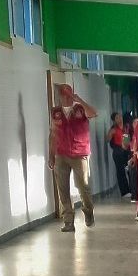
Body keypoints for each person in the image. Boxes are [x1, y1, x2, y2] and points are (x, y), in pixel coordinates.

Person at [49, 84, 97, 232]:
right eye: (63, 95)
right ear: (59, 96)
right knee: (62, 189)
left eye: (68, 95)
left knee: (83, 186)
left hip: (79, 154)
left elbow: (93, 113)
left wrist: (80, 100)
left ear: (72, 95)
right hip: (61, 154)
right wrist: (51, 155)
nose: (66, 98)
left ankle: (88, 211)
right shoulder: (55, 112)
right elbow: (53, 134)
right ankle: (68, 221)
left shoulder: (80, 109)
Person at [107, 112, 131, 199]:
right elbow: (107, 139)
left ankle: (133, 189)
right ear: (114, 120)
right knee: (121, 171)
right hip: (117, 151)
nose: (120, 118)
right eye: (117, 118)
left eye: (120, 116)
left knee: (130, 170)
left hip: (126, 151)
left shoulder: (126, 127)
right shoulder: (113, 129)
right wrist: (110, 134)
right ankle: (125, 192)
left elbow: (127, 141)